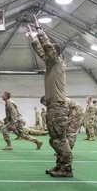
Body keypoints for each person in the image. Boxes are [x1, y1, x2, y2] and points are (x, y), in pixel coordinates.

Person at [27, 22, 72, 177]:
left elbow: (47, 48)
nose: (45, 56)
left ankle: (67, 168)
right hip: (53, 107)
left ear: (54, 54)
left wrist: (40, 31)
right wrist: (33, 38)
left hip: (58, 107)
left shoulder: (58, 62)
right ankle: (60, 166)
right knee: (54, 140)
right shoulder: (50, 63)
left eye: (49, 53)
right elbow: (42, 51)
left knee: (60, 139)